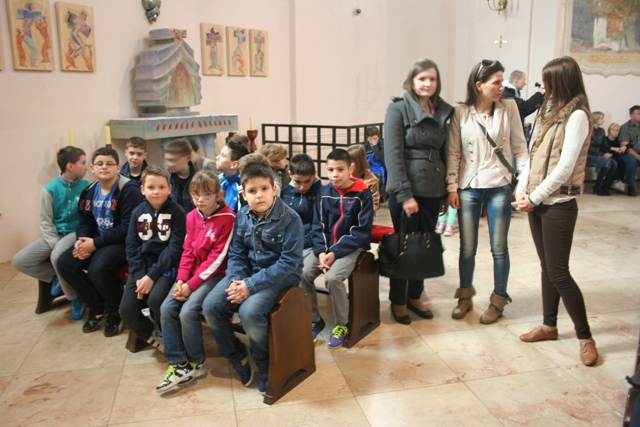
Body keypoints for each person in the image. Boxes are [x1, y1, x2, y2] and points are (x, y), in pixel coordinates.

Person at [513, 56, 598, 367]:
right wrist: (521, 189)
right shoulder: (547, 112)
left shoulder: (577, 116)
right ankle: (549, 326)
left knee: (559, 272)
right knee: (546, 268)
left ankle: (585, 337)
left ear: (562, 82)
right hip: (536, 201)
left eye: (548, 80)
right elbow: (532, 154)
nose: (543, 86)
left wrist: (534, 197)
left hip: (559, 205)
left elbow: (565, 167)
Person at [203, 162, 304, 394]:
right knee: (211, 306)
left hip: (282, 276)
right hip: (247, 273)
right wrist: (236, 281)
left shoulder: (291, 219)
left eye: (264, 189)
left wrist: (249, 286)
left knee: (249, 312)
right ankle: (236, 353)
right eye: (252, 191)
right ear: (244, 194)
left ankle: (265, 364)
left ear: (274, 189)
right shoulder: (242, 216)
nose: (259, 195)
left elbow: (288, 263)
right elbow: (237, 254)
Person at [447, 59, 528, 324]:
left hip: (500, 186)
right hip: (469, 186)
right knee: (467, 248)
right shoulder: (461, 112)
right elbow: (454, 152)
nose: (501, 87)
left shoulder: (509, 107)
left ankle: (499, 300)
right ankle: (465, 297)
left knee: (499, 248)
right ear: (479, 85)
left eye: (502, 81)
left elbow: (520, 148)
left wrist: (522, 185)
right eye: (496, 82)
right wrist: (452, 187)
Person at [383, 58, 453, 325]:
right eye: (422, 78)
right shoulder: (397, 109)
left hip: (432, 188)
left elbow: (444, 151)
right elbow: (393, 155)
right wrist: (405, 195)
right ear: (411, 80)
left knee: (424, 245)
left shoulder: (441, 110)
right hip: (408, 190)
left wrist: (444, 191)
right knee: (404, 247)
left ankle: (415, 296)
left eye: (432, 79)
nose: (427, 83)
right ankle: (398, 301)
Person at [156, 171, 235, 393]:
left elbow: (216, 259)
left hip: (215, 275)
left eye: (206, 194)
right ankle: (177, 362)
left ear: (218, 195)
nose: (200, 199)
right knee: (166, 308)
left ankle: (195, 359)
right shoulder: (192, 216)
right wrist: (181, 279)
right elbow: (188, 251)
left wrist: (190, 286)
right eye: (195, 194)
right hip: (191, 275)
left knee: (187, 311)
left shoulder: (228, 218)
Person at [56, 147, 144, 336]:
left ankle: (115, 311)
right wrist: (81, 241)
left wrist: (94, 244)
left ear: (118, 167)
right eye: (100, 164)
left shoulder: (129, 190)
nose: (104, 167)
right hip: (97, 239)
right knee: (64, 264)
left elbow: (127, 228)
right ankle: (97, 306)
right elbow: (84, 221)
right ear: (92, 168)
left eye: (109, 164)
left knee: (98, 268)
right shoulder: (89, 191)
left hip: (123, 242)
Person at [301, 148, 373, 347]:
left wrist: (334, 252)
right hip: (325, 249)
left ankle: (342, 323)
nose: (335, 175)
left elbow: (360, 231)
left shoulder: (362, 194)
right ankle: (315, 319)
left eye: (340, 169)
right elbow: (318, 226)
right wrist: (321, 252)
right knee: (304, 273)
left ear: (351, 168)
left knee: (333, 278)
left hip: (351, 248)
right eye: (331, 170)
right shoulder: (324, 193)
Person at [12, 146, 90, 320]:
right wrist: (54, 242)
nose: (86, 167)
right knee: (19, 261)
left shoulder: (87, 187)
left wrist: (59, 247)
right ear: (70, 166)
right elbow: (45, 221)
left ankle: (75, 298)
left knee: (57, 257)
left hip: (74, 234)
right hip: (54, 236)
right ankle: (56, 276)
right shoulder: (49, 189)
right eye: (83, 163)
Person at [120, 166, 186, 353]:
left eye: (161, 187)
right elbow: (131, 245)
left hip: (166, 268)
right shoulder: (137, 213)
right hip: (142, 269)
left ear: (169, 188)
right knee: (126, 309)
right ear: (142, 189)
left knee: (156, 301)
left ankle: (168, 333)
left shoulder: (177, 212)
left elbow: (174, 249)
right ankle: (149, 334)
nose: (156, 192)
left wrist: (152, 276)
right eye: (151, 187)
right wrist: (140, 274)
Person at [280, 153, 322, 252]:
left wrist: (298, 243)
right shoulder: (284, 193)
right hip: (285, 243)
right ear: (290, 174)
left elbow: (320, 227)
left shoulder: (322, 194)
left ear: (314, 174)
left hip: (311, 245)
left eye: (307, 181)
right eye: (298, 182)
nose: (302, 187)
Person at [587, 111, 617, 196]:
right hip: (589, 154)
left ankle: (605, 186)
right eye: (601, 118)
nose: (603, 120)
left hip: (600, 153)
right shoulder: (588, 130)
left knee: (614, 163)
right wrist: (602, 154)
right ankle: (598, 185)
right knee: (606, 163)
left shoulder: (601, 131)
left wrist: (608, 153)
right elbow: (588, 147)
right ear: (595, 119)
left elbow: (605, 145)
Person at [216, 138, 250, 212]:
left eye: (222, 155)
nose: (217, 157)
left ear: (234, 164)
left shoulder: (243, 187)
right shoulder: (216, 180)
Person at [164, 138, 197, 212]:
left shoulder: (200, 178)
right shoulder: (164, 178)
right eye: (167, 160)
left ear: (187, 158)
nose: (167, 164)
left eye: (172, 160)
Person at [347, 144, 380, 211]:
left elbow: (374, 205)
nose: (348, 164)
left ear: (359, 162)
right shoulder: (344, 176)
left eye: (351, 162)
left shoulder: (372, 181)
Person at [618, 105, 640, 196]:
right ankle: (631, 187)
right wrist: (639, 157)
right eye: (638, 114)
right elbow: (625, 146)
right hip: (629, 153)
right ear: (631, 116)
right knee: (632, 161)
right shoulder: (625, 127)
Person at [364, 126, 386, 197]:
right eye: (370, 139)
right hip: (368, 169)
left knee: (376, 181)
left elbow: (378, 157)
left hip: (379, 169)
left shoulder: (383, 144)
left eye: (374, 138)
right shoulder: (365, 146)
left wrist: (374, 145)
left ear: (379, 136)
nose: (372, 141)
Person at [606, 123, 628, 193]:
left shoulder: (618, 141)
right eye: (613, 130)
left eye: (617, 131)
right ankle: (612, 181)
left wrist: (624, 147)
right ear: (609, 131)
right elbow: (604, 148)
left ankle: (619, 180)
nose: (615, 132)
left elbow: (628, 144)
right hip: (608, 157)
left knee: (622, 162)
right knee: (614, 162)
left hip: (617, 157)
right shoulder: (605, 139)